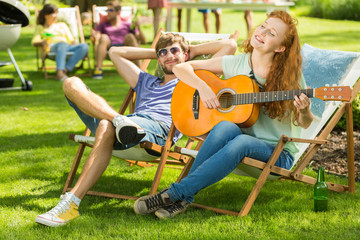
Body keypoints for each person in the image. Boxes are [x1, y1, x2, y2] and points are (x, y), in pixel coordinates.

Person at [34, 33, 237, 227]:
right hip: (126, 125)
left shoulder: (193, 82)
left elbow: (230, 46)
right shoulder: (146, 81)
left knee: (106, 125)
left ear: (185, 55)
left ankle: (71, 202)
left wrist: (187, 53)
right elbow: (114, 52)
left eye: (174, 51)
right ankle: (119, 120)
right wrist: (159, 53)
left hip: (156, 130)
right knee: (71, 83)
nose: (168, 55)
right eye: (163, 53)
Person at [133, 11, 314, 219]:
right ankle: (183, 198)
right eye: (263, 26)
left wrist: (304, 110)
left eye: (271, 33)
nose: (262, 32)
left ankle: (173, 194)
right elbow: (182, 68)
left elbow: (305, 124)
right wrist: (202, 87)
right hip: (239, 139)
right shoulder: (236, 63)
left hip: (278, 153)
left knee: (241, 142)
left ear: (281, 47)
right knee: (224, 127)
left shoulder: (290, 77)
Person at [32, 4, 89, 81]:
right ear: (46, 15)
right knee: (62, 45)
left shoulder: (62, 25)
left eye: (57, 13)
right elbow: (35, 41)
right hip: (51, 48)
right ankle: (60, 73)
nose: (56, 15)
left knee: (85, 46)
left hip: (67, 47)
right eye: (53, 13)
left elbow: (72, 40)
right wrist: (43, 42)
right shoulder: (40, 27)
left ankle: (64, 70)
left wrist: (77, 46)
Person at [92, 0, 146, 79]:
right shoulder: (103, 24)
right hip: (109, 48)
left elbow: (143, 41)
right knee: (103, 37)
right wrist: (95, 36)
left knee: (130, 36)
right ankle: (98, 69)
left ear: (118, 12)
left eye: (110, 10)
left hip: (125, 48)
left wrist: (139, 27)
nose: (108, 13)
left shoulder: (127, 24)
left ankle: (141, 69)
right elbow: (98, 35)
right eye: (107, 10)